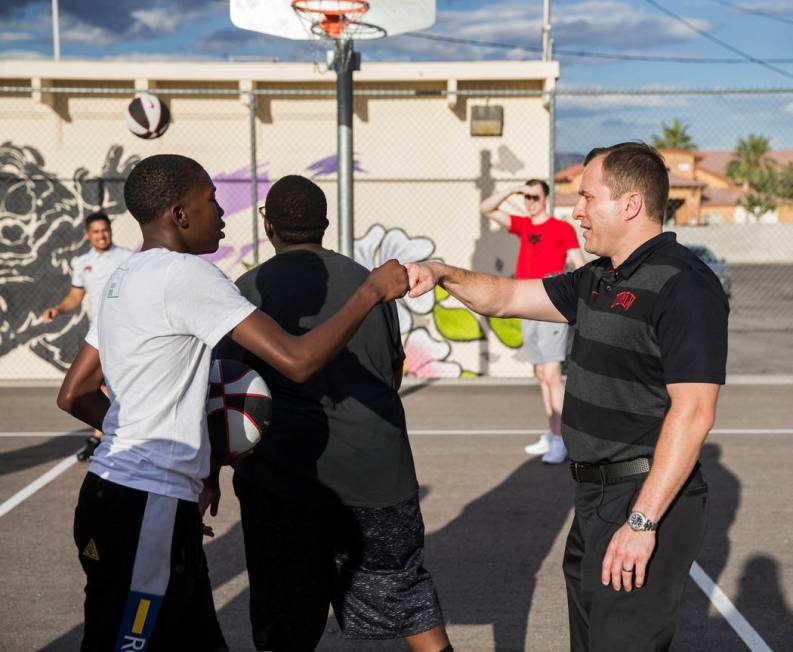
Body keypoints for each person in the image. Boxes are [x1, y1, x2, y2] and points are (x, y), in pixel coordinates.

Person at [56, 155, 409, 652]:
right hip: (147, 503)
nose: (222, 212)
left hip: (117, 494)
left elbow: (74, 394)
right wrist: (371, 290)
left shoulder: (124, 276)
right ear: (179, 215)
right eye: (211, 202)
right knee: (125, 643)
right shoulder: (186, 277)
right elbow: (298, 359)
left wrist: (179, 459)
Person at [407, 142, 728, 651]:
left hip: (641, 498)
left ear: (629, 205)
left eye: (586, 198)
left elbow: (694, 412)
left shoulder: (685, 285)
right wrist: (443, 273)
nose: (574, 212)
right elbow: (508, 297)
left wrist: (642, 523)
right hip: (595, 499)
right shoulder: (598, 277)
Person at [213, 175, 452, 652]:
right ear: (325, 224)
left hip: (284, 481)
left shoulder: (245, 289)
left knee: (286, 623)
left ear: (269, 227)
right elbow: (392, 373)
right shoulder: (369, 284)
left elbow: (227, 393)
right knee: (408, 600)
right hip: (378, 476)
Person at [480, 179, 585, 463]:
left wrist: (585, 298)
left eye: (534, 197)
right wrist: (511, 191)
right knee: (541, 375)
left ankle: (563, 440)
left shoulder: (561, 228)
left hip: (551, 305)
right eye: (525, 197)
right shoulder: (523, 226)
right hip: (527, 306)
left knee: (552, 376)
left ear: (546, 198)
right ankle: (552, 434)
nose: (529, 202)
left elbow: (580, 263)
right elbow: (486, 208)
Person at [42, 211, 132, 461]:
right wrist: (58, 309)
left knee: (114, 385)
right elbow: (75, 296)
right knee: (99, 386)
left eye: (105, 230)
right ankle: (105, 435)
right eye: (96, 231)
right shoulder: (82, 262)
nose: (101, 235)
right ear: (87, 235)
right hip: (98, 336)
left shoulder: (128, 258)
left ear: (110, 231)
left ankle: (101, 438)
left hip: (124, 334)